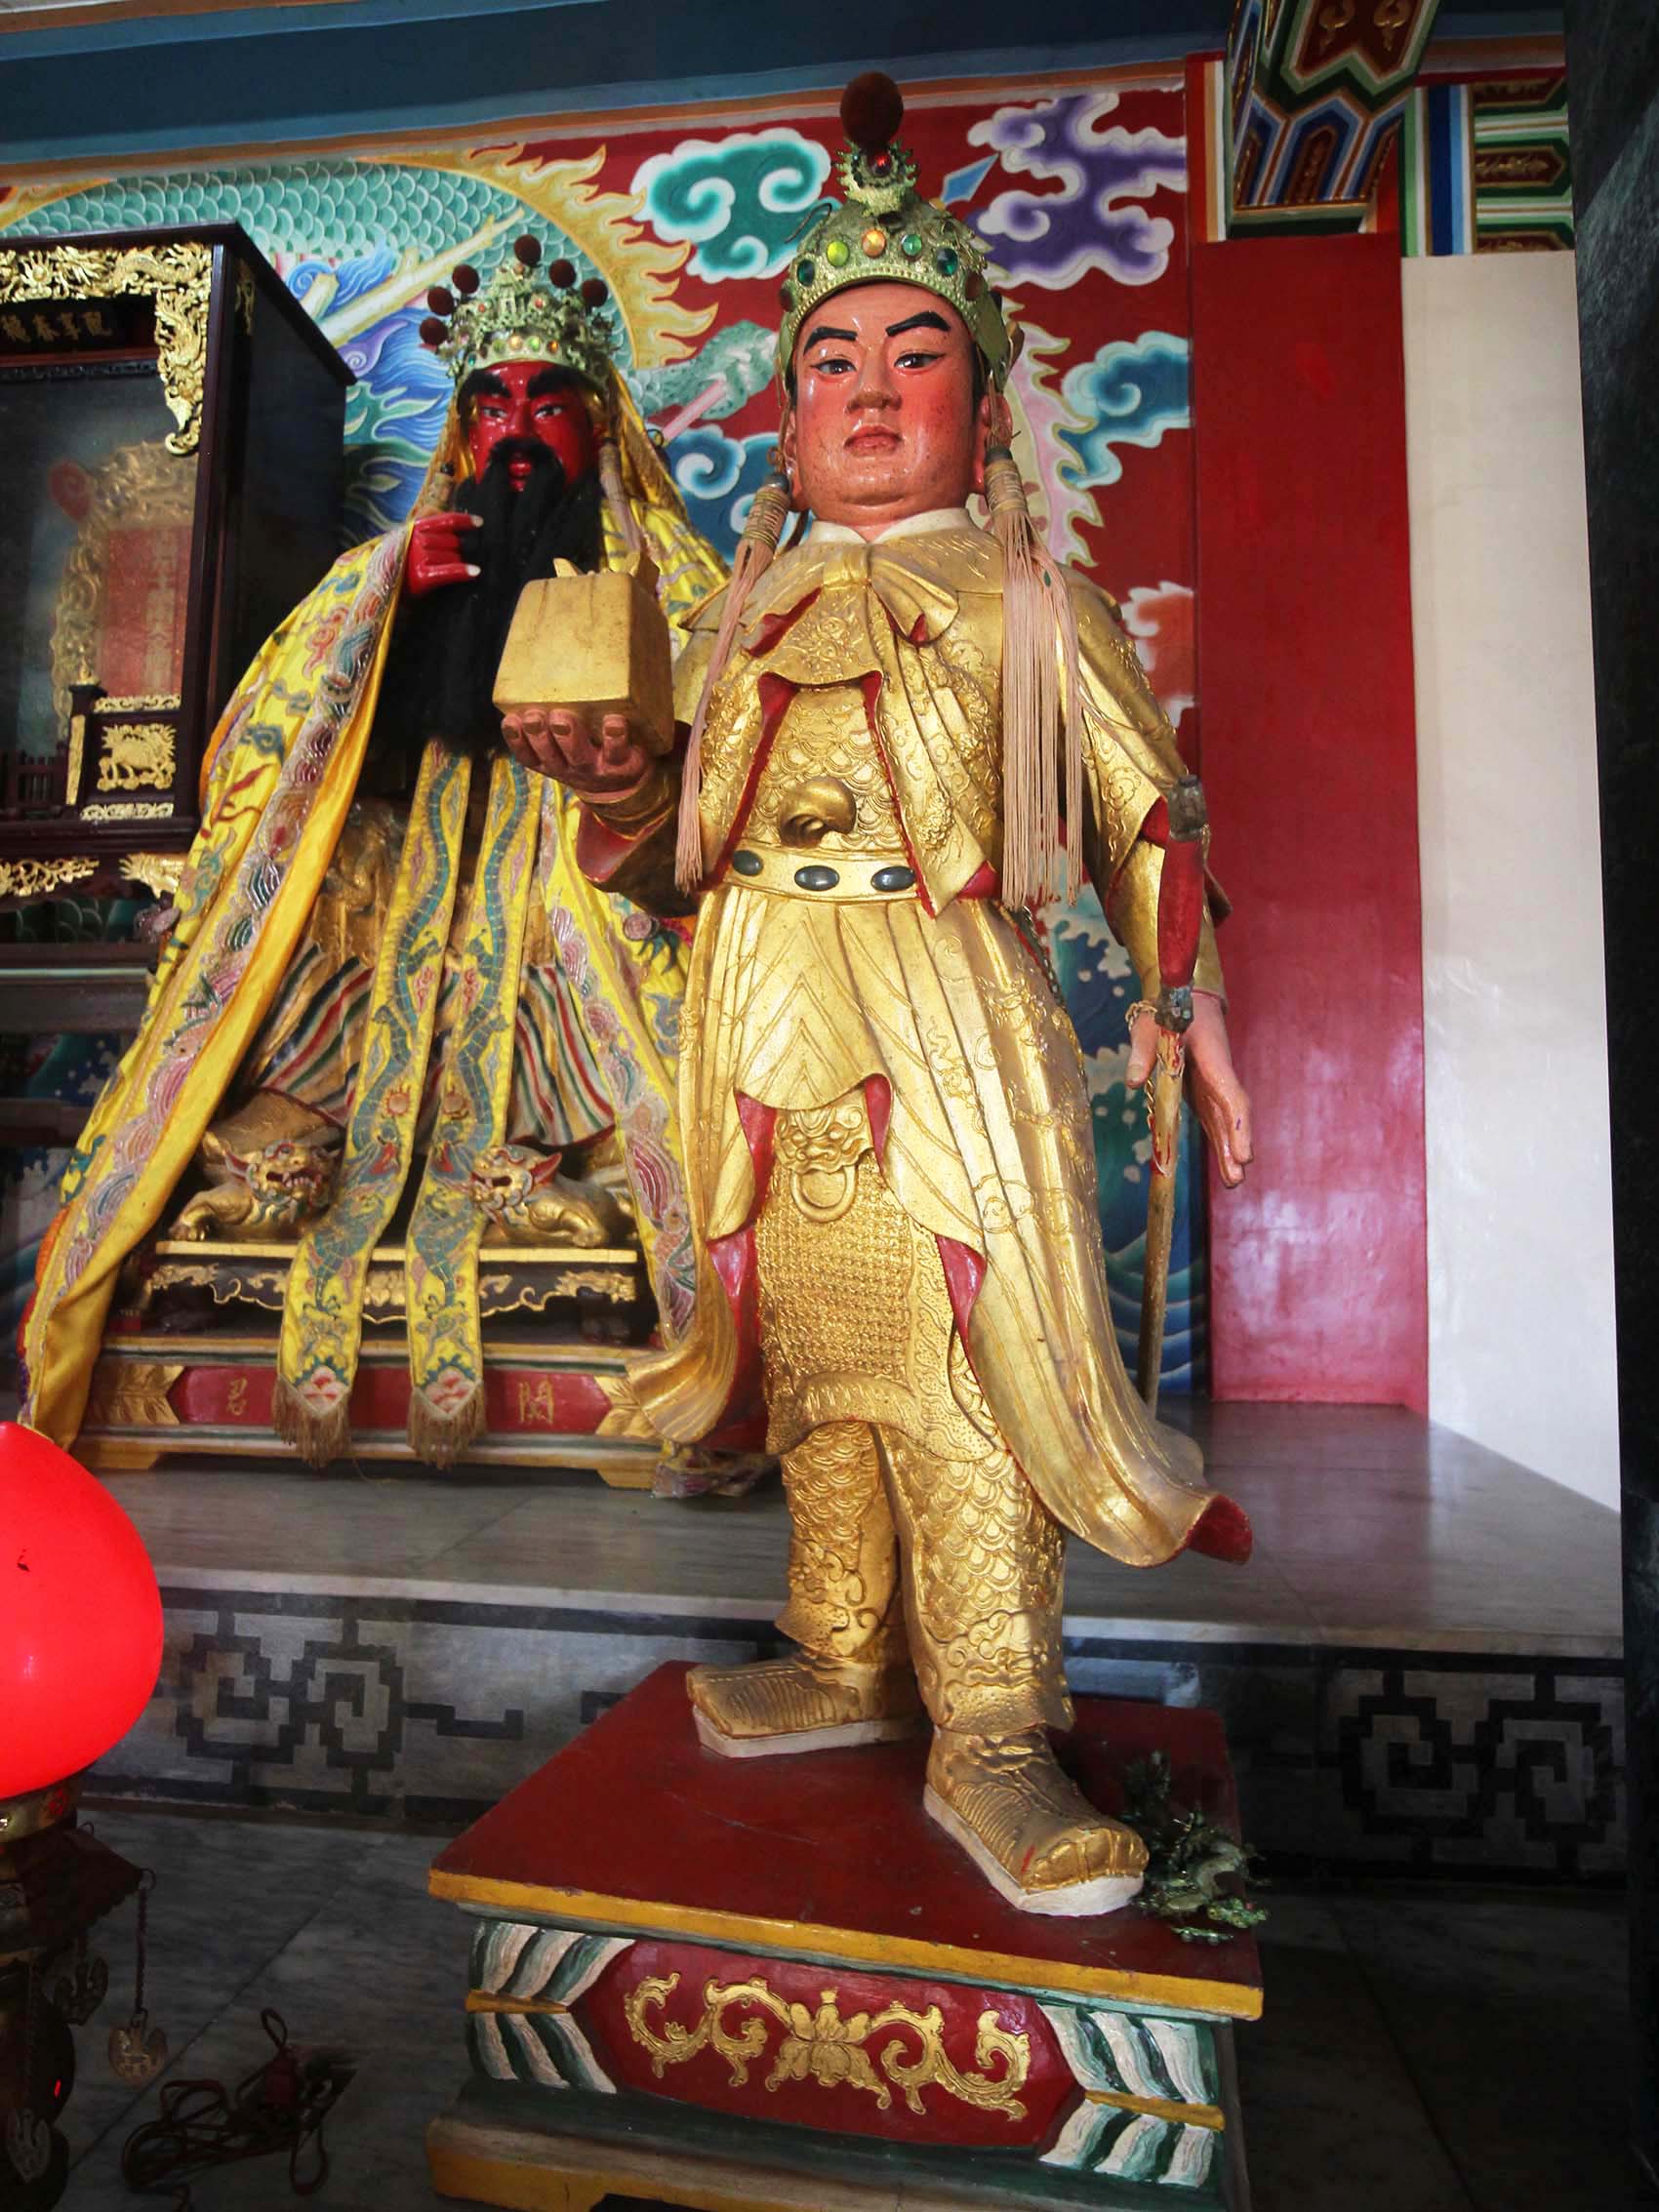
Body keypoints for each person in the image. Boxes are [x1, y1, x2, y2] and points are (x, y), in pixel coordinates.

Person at [502, 76, 1256, 1916]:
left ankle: (994, 1721)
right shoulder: (742, 609)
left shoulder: (1027, 604)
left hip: (944, 1010)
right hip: (761, 1004)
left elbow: (1148, 811)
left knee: (963, 1366)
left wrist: (1188, 1001)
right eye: (828, 361)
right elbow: (680, 859)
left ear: (980, 412)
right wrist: (615, 784)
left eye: (913, 358)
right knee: (811, 1356)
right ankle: (841, 1650)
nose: (864, 391)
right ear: (786, 416)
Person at [22, 240, 725, 1468]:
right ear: (462, 429)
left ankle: (580, 1167)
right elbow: (267, 740)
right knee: (294, 943)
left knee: (660, 1043)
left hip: (576, 887)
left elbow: (726, 757)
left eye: (546, 403)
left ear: (598, 424)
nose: (517, 430)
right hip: (405, 892)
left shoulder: (673, 578)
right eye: (491, 404)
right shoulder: (393, 566)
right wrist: (386, 594)